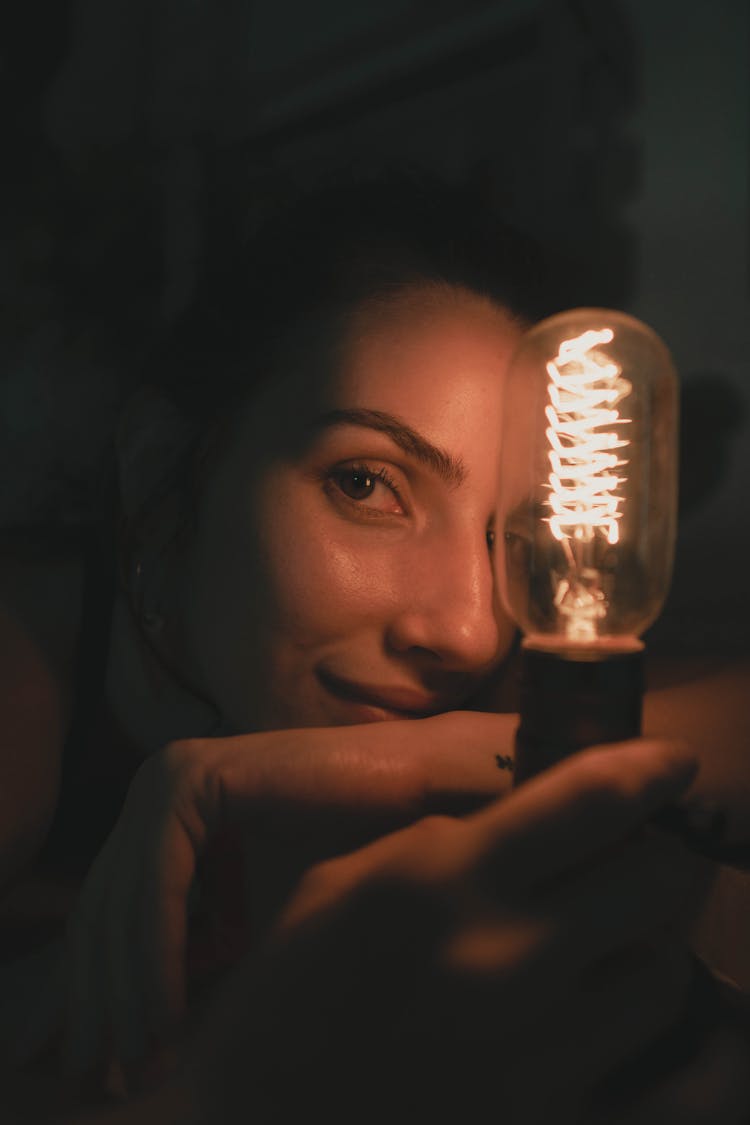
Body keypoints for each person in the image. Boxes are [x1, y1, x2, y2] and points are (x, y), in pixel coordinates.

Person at [1, 177, 748, 1124]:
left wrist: (285, 773)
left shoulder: (485, 646)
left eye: (508, 535)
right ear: (160, 461)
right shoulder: (20, 687)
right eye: (366, 483)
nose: (468, 627)